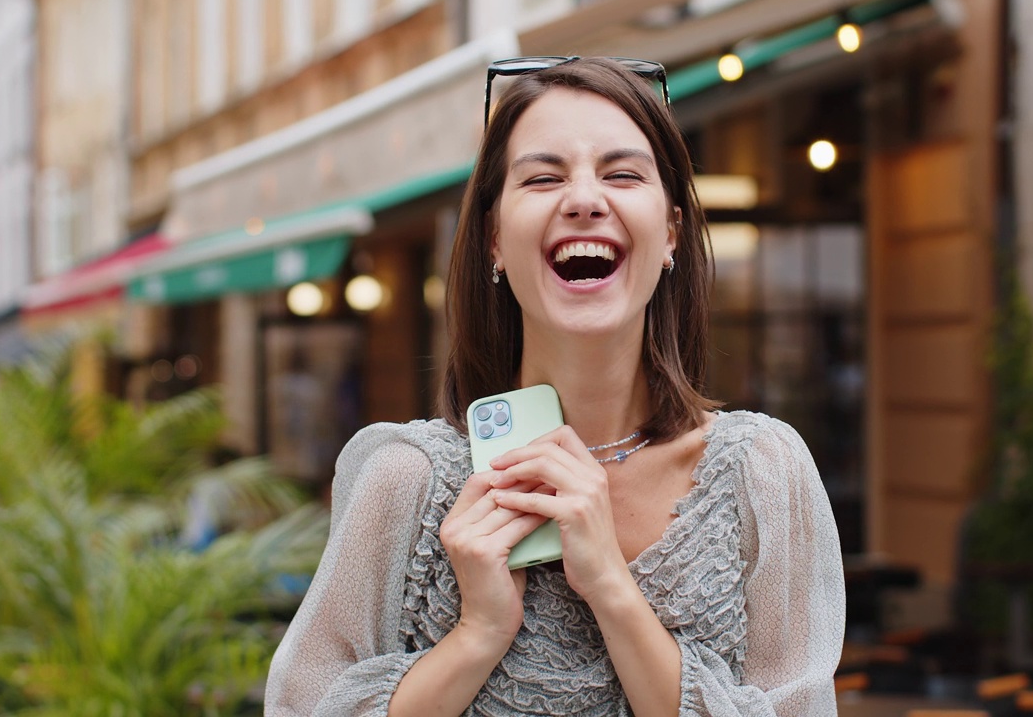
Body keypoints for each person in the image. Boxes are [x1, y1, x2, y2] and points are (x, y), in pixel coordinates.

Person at [264, 56, 845, 716]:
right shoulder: (406, 483)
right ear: (492, 239)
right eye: (543, 177)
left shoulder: (761, 476)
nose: (585, 199)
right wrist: (479, 632)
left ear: (673, 233)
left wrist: (610, 586)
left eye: (623, 174)